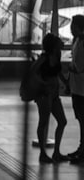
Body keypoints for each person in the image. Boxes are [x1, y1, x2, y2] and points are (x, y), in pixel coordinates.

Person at [35, 32, 69, 164]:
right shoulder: (44, 59)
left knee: (62, 121)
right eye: (59, 43)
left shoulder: (57, 55)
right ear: (54, 46)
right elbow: (36, 74)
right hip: (44, 95)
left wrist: (65, 82)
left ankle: (56, 152)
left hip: (54, 94)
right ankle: (43, 153)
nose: (62, 44)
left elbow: (57, 71)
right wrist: (45, 85)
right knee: (43, 122)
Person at [69, 15, 84, 162]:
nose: (71, 29)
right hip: (76, 87)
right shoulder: (76, 41)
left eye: (73, 26)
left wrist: (73, 68)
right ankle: (81, 147)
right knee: (80, 118)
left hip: (82, 87)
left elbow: (79, 66)